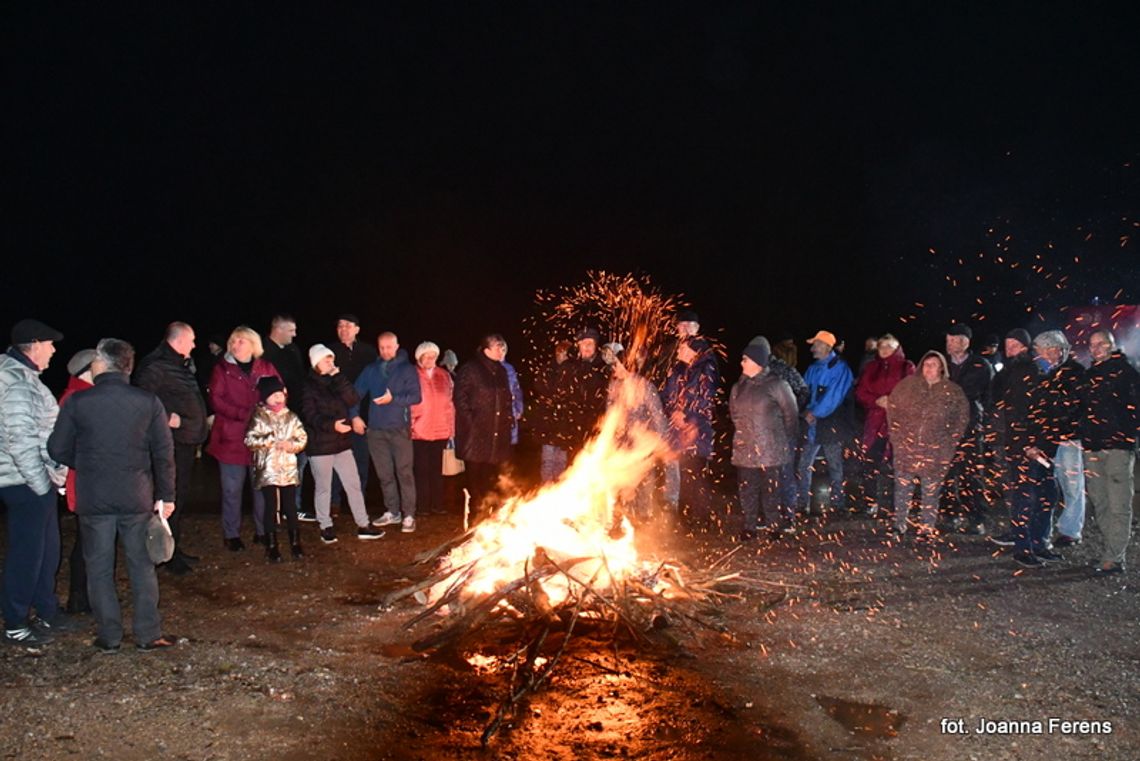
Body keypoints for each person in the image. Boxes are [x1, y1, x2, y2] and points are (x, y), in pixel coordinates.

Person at [47, 338, 177, 653]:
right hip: (136, 495)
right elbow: (163, 452)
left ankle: (109, 636)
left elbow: (57, 448)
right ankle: (148, 634)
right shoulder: (147, 402)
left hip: (95, 498)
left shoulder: (79, 402)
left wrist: (88, 463)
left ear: (101, 364)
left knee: (99, 568)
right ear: (128, 366)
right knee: (142, 566)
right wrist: (167, 495)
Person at [1, 319, 70, 647]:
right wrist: (42, 484)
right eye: (50, 343)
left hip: (34, 481)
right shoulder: (16, 382)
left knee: (46, 550)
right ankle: (15, 621)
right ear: (34, 344)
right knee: (27, 554)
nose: (54, 350)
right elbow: (19, 440)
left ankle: (46, 611)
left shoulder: (24, 378)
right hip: (24, 483)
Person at [133, 321, 209, 573]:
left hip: (185, 442)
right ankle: (163, 554)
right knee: (167, 496)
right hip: (170, 444)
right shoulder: (156, 366)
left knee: (179, 495)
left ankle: (173, 547)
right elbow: (142, 398)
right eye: (192, 340)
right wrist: (167, 417)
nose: (195, 345)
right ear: (178, 340)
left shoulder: (180, 364)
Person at [1004, 331, 1080, 568]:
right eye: (1050, 349)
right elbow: (1016, 412)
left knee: (1047, 496)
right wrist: (1026, 444)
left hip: (1046, 448)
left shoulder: (1051, 374)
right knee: (1026, 497)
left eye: (1057, 350)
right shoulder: (1025, 372)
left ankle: (1039, 543)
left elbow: (1054, 412)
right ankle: (1022, 547)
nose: (1055, 354)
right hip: (1027, 448)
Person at [206, 326, 283, 550]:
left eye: (241, 341)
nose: (235, 345)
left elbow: (279, 393)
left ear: (253, 344)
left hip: (260, 438)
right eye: (233, 341)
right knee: (231, 489)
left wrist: (267, 412)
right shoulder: (222, 369)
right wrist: (243, 414)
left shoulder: (266, 367)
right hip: (231, 437)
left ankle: (263, 530)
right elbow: (217, 400)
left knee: (260, 488)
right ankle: (231, 534)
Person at [301, 344, 385, 543]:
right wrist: (332, 426)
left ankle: (363, 524)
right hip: (320, 445)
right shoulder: (308, 386)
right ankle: (325, 525)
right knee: (323, 487)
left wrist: (339, 378)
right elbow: (309, 416)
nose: (330, 362)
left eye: (331, 358)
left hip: (342, 443)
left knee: (353, 484)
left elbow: (353, 398)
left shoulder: (337, 381)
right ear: (315, 363)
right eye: (326, 359)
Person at [886, 351, 969, 539]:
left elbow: (961, 420)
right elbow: (893, 412)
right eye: (926, 364)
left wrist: (948, 446)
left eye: (933, 364)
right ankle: (899, 524)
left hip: (935, 452)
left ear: (941, 368)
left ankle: (926, 527)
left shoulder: (953, 392)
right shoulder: (907, 387)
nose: (929, 368)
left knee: (930, 490)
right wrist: (897, 440)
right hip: (907, 449)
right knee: (902, 489)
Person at [1079, 330, 1138, 575]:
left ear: (1112, 345)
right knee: (1099, 500)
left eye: (1101, 343)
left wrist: (1127, 434)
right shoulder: (1089, 375)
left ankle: (1114, 557)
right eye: (1092, 345)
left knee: (1118, 504)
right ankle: (1110, 550)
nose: (1096, 348)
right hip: (1093, 447)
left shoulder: (1126, 373)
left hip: (1117, 448)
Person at [729, 337, 799, 539]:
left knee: (770, 490)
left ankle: (773, 526)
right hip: (745, 447)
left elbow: (791, 415)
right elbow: (734, 414)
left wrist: (783, 439)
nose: (741, 363)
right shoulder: (738, 387)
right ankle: (749, 526)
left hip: (770, 448)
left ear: (757, 362)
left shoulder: (777, 385)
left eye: (745, 359)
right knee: (748, 489)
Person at [354, 332, 422, 533]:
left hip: (399, 429)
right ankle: (392, 511)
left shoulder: (407, 369)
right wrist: (354, 415)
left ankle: (409, 514)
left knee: (405, 473)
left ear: (397, 346)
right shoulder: (371, 369)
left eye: (389, 347)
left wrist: (394, 399)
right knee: (384, 474)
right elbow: (355, 394)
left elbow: (416, 396)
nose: (385, 351)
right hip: (375, 431)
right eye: (382, 347)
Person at [1029, 331, 1086, 549]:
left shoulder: (1074, 373)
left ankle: (1071, 531)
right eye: (1042, 351)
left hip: (1068, 439)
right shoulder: (1048, 373)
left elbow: (1072, 407)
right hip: (1049, 440)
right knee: (1049, 486)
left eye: (1046, 350)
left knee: (1072, 485)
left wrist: (1059, 426)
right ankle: (1046, 529)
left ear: (1059, 350)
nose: (1043, 355)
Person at [244, 376, 308, 561]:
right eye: (273, 396)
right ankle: (271, 545)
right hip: (269, 470)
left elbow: (302, 438)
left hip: (287, 469)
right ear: (265, 398)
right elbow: (250, 440)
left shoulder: (291, 417)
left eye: (280, 394)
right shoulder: (259, 417)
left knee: (290, 506)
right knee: (270, 507)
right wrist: (270, 440)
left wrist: (291, 445)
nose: (278, 399)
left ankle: (295, 543)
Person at [987, 329, 1040, 546]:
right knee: (1010, 484)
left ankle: (1026, 531)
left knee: (1023, 486)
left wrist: (1026, 436)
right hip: (1004, 436)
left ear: (1025, 347)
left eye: (1015, 344)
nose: (1009, 348)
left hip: (1019, 437)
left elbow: (1025, 406)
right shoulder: (1006, 369)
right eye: (1007, 344)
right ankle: (1015, 527)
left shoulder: (1028, 369)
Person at [851, 333, 914, 515]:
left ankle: (899, 504)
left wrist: (894, 401)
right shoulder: (872, 367)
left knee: (899, 465)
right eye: (881, 346)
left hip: (899, 423)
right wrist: (876, 400)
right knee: (870, 462)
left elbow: (913, 392)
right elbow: (860, 391)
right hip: (875, 422)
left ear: (897, 348)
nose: (885, 350)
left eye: (889, 346)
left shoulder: (906, 367)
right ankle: (871, 501)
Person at [454, 334, 515, 517]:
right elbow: (460, 398)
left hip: (496, 435)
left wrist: (508, 419)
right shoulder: (470, 370)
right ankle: (475, 517)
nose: (501, 351)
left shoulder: (501, 371)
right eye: (498, 347)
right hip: (475, 436)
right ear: (486, 350)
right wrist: (471, 423)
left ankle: (492, 518)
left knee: (493, 479)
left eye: (502, 347)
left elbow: (505, 400)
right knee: (476, 479)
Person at [662, 335, 720, 530]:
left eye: (682, 348)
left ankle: (703, 519)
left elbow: (705, 401)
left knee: (698, 476)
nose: (678, 351)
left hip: (697, 431)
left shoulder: (706, 369)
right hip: (679, 431)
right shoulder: (678, 370)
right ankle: (686, 519)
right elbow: (668, 397)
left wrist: (687, 417)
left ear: (693, 351)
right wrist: (674, 413)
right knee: (685, 474)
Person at [941, 324, 994, 534]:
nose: (949, 344)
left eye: (953, 340)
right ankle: (949, 515)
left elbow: (989, 398)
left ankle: (976, 518)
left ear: (965, 342)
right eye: (948, 340)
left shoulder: (981, 365)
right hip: (943, 428)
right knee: (945, 473)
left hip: (969, 427)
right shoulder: (941, 364)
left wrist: (983, 425)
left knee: (970, 473)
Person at [605, 344, 667, 521]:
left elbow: (658, 416)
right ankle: (623, 517)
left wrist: (659, 441)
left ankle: (645, 516)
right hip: (621, 443)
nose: (613, 368)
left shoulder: (644, 386)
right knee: (622, 480)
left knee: (644, 480)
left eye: (616, 364)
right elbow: (610, 413)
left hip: (642, 443)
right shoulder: (614, 386)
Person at [796, 330, 854, 516]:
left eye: (816, 344)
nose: (812, 348)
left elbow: (834, 397)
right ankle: (801, 504)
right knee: (804, 464)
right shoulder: (813, 368)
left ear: (827, 346)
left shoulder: (841, 368)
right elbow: (803, 391)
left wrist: (814, 412)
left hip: (831, 424)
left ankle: (838, 504)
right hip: (812, 423)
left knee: (834, 464)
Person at [261, 315, 310, 520]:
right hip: (272, 420)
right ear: (278, 330)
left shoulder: (293, 350)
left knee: (297, 463)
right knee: (273, 466)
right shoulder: (262, 352)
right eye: (291, 330)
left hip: (296, 417)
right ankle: (273, 511)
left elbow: (300, 381)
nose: (295, 334)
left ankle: (293, 507)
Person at [59, 348, 97, 614]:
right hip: (84, 480)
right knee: (85, 540)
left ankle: (83, 596)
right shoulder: (75, 398)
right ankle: (78, 597)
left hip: (87, 478)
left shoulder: (80, 396)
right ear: (88, 370)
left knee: (89, 539)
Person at [330, 314, 377, 498]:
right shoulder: (329, 352)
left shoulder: (368, 352)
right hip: (336, 414)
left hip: (362, 415)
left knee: (360, 459)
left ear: (357, 329)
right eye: (340, 326)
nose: (343, 329)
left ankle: (358, 499)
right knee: (336, 458)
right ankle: (334, 500)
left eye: (348, 325)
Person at [409, 342, 456, 517]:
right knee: (421, 470)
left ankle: (438, 504)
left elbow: (450, 404)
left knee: (437, 470)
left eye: (433, 356)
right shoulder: (412, 375)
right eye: (427, 356)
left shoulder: (444, 375)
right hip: (419, 431)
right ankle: (422, 506)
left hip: (440, 429)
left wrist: (451, 429)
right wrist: (412, 424)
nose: (430, 359)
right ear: (419, 357)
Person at [532, 339, 574, 482]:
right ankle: (547, 488)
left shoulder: (572, 370)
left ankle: (559, 487)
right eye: (560, 352)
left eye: (565, 353)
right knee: (548, 460)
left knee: (561, 461)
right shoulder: (547, 369)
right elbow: (539, 386)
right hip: (548, 423)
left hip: (564, 424)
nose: (562, 356)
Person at [501, 341, 525, 447]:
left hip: (510, 413)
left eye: (503, 350)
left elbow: (517, 390)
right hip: (495, 415)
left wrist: (519, 408)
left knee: (508, 447)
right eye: (499, 350)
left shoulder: (509, 369)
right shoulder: (487, 369)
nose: (501, 353)